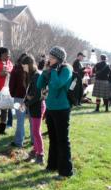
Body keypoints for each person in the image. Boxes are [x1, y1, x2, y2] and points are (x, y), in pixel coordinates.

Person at [37, 46, 73, 177]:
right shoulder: (51, 69)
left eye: (52, 57)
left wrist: (52, 71)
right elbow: (39, 85)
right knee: (53, 139)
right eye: (49, 57)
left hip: (62, 109)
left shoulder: (66, 70)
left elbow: (57, 84)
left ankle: (66, 171)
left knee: (63, 140)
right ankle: (52, 166)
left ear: (59, 59)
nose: (49, 59)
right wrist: (45, 70)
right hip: (51, 108)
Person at [21, 55, 46, 164]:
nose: (23, 69)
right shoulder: (33, 75)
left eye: (24, 66)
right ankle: (35, 150)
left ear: (29, 65)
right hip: (34, 105)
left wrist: (27, 103)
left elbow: (38, 95)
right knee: (35, 130)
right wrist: (26, 101)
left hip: (37, 106)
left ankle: (40, 155)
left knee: (36, 131)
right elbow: (30, 93)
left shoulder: (37, 75)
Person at [9, 53, 31, 148]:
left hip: (20, 97)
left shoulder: (16, 69)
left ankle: (19, 141)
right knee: (31, 119)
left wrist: (13, 94)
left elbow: (11, 84)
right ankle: (33, 140)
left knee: (21, 120)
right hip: (27, 97)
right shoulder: (30, 69)